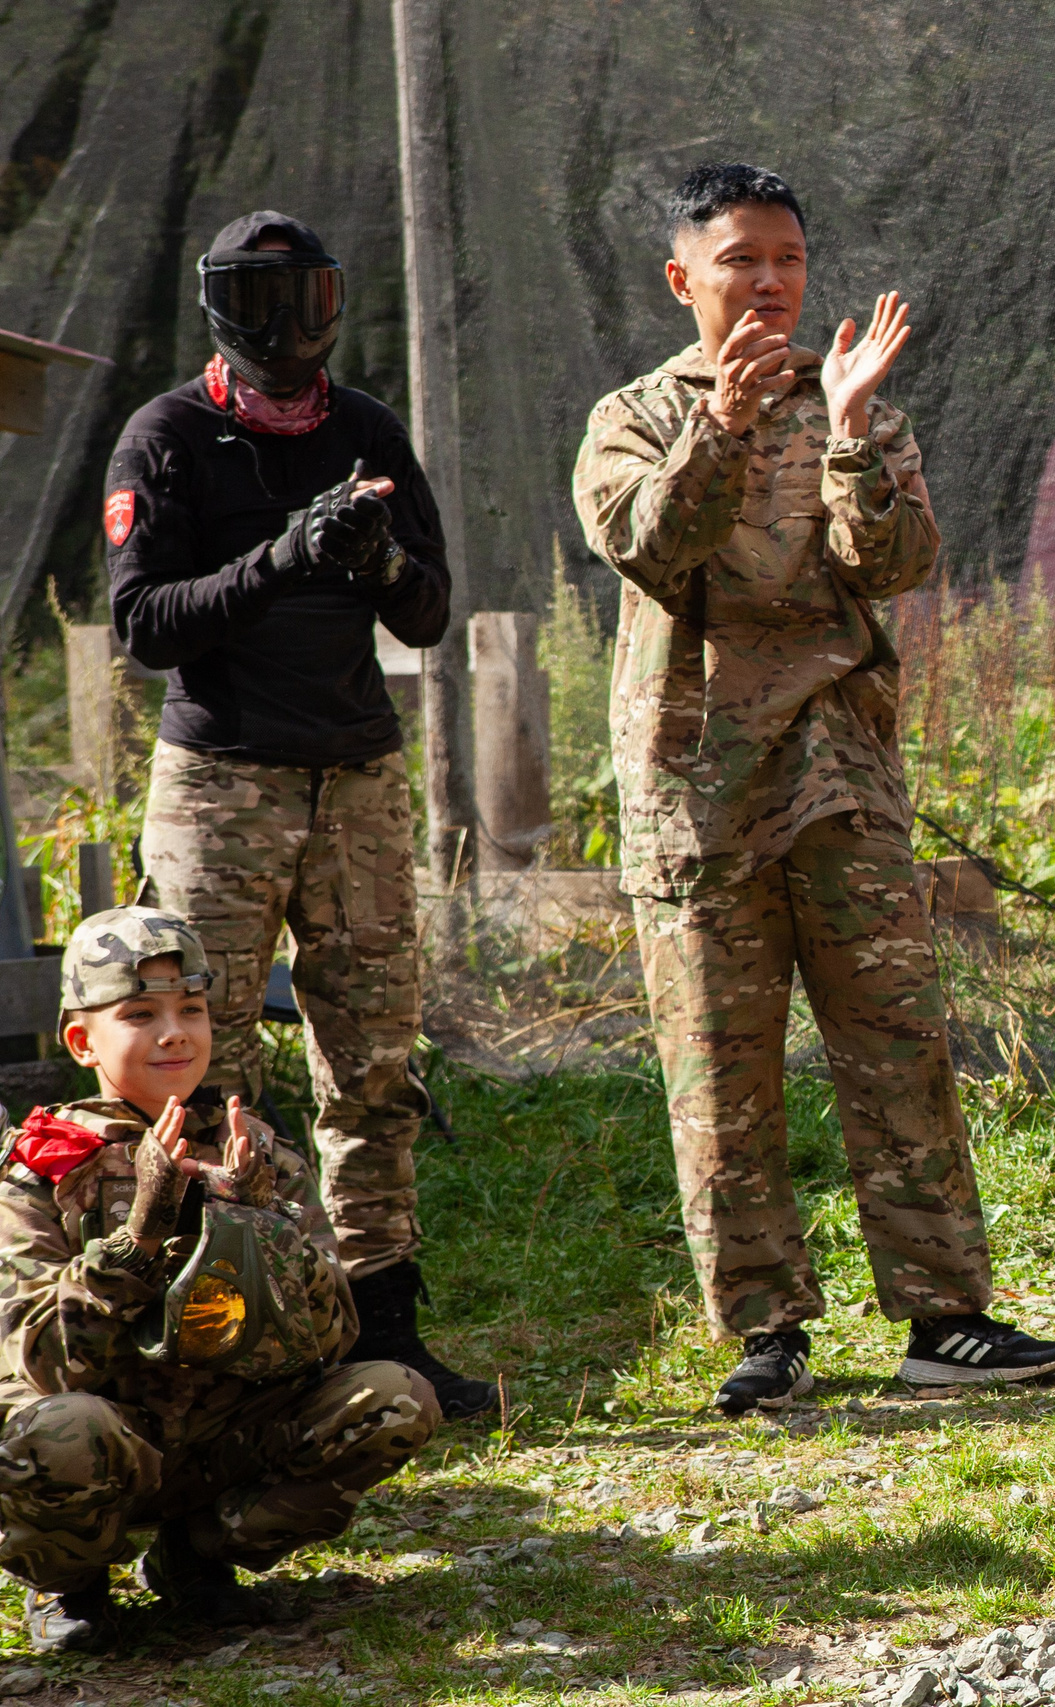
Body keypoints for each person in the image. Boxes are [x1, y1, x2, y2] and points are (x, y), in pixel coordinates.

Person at [573, 163, 1055, 1413]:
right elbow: (648, 544)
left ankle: (945, 1317)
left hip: (839, 770)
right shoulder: (631, 417)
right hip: (697, 789)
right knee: (719, 1066)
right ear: (683, 277)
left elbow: (897, 564)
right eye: (742, 258)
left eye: (789, 257)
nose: (771, 282)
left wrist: (850, 436)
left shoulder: (849, 402)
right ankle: (764, 1330)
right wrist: (724, 430)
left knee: (895, 1045)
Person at [103, 210, 492, 1420]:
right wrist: (279, 557)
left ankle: (385, 1332)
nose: (292, 328)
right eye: (264, 302)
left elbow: (428, 615)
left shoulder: (367, 429)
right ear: (223, 309)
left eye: (309, 298)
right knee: (209, 1069)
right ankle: (230, 1340)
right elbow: (142, 624)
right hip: (221, 786)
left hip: (357, 781)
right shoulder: (167, 436)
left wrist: (375, 561)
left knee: (373, 1068)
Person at [0, 908, 437, 1653]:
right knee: (61, 1428)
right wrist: (137, 1238)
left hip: (223, 1432)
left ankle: (198, 1555)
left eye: (191, 1009)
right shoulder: (42, 1170)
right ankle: (69, 1581)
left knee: (395, 1397)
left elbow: (335, 1339)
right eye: (140, 1013)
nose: (174, 1031)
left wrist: (261, 1223)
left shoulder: (255, 1154)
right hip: (105, 1439)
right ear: (82, 1040)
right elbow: (33, 1360)